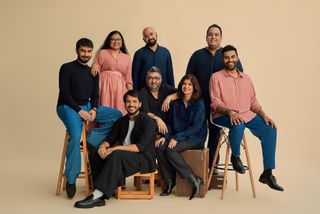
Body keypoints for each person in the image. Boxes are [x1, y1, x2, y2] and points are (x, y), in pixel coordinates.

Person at [210, 45, 284, 191]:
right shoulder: (216, 77)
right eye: (226, 57)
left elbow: (253, 102)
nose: (230, 60)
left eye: (232, 57)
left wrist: (264, 115)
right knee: (238, 124)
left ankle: (267, 173)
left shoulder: (246, 78)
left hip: (246, 114)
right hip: (223, 115)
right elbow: (215, 102)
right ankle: (235, 157)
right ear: (222, 59)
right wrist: (230, 112)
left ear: (237, 58)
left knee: (270, 128)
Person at [56, 38, 121, 199]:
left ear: (92, 52)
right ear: (77, 50)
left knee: (117, 115)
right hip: (68, 107)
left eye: (88, 51)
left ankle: (91, 139)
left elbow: (95, 96)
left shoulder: (93, 71)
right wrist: (79, 111)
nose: (86, 54)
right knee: (76, 136)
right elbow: (64, 94)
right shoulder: (66, 68)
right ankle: (71, 178)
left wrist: (93, 109)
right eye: (83, 51)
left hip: (87, 106)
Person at [74, 90, 157, 208]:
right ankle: (101, 193)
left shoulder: (148, 122)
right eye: (128, 101)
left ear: (140, 104)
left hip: (143, 159)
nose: (131, 104)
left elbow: (140, 147)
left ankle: (98, 194)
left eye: (134, 101)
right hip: (124, 157)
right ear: (124, 104)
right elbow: (110, 138)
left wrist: (115, 149)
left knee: (116, 153)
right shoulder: (121, 121)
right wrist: (103, 146)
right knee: (95, 154)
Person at [185, 24, 244, 169]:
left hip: (220, 106)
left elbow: (239, 77)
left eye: (216, 34)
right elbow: (188, 78)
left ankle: (211, 168)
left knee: (214, 135)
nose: (213, 37)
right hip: (199, 103)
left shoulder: (227, 56)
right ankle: (197, 167)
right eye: (210, 34)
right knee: (197, 132)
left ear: (221, 37)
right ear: (206, 37)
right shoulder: (197, 55)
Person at [155, 74, 207, 200]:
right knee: (159, 146)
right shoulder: (176, 103)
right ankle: (170, 180)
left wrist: (177, 138)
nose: (186, 86)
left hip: (195, 137)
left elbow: (195, 127)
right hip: (177, 135)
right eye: (184, 84)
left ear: (194, 87)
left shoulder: (199, 104)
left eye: (190, 84)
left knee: (171, 150)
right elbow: (171, 124)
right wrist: (165, 136)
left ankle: (193, 179)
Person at [91, 30, 133, 114]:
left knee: (120, 110)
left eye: (118, 39)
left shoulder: (127, 58)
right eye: (112, 39)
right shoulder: (102, 53)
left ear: (122, 42)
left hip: (120, 88)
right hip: (104, 85)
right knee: (104, 108)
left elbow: (128, 77)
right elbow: (95, 67)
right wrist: (94, 66)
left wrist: (131, 93)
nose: (115, 42)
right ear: (109, 41)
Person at [132, 26, 174, 91]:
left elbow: (170, 75)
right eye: (146, 36)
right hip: (144, 93)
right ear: (144, 39)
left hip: (164, 92)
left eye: (151, 34)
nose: (150, 37)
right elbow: (135, 77)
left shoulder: (165, 52)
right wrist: (136, 94)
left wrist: (172, 93)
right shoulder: (139, 54)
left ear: (156, 35)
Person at [139, 66, 177, 134]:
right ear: (146, 80)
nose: (153, 81)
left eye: (156, 78)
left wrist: (170, 97)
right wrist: (157, 119)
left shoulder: (164, 87)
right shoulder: (143, 92)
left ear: (161, 79)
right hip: (152, 124)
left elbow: (181, 92)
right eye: (150, 78)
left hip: (169, 122)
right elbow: (146, 112)